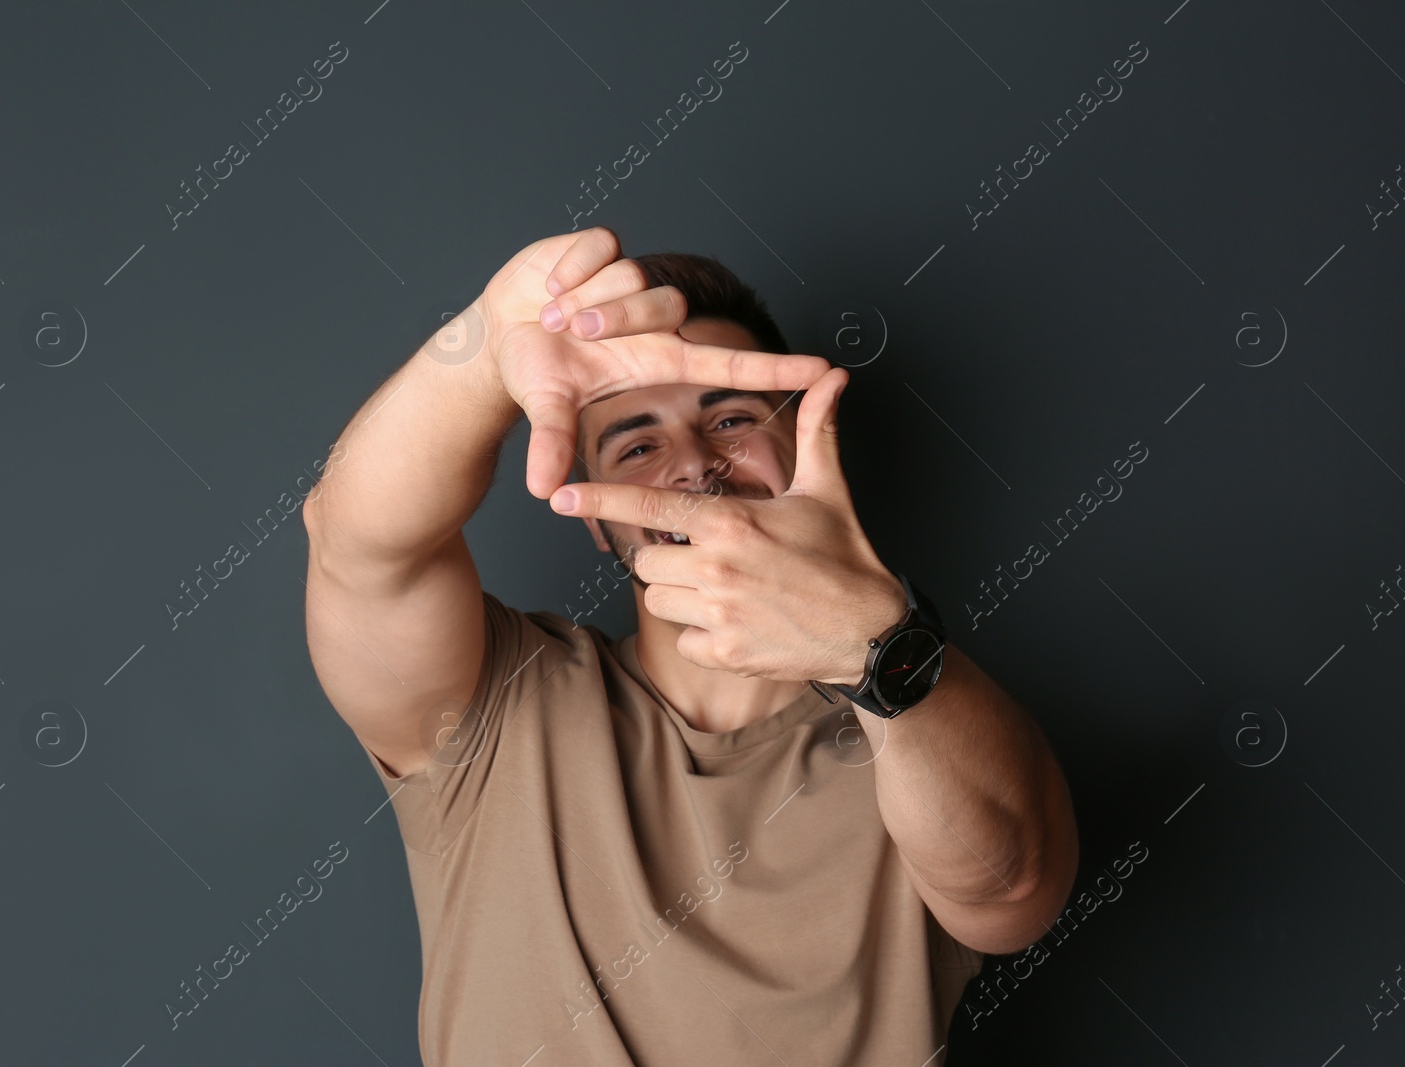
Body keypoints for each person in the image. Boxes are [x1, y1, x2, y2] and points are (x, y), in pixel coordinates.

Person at [301, 227, 1079, 1065]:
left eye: (731, 417)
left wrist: (880, 645)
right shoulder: (499, 701)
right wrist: (489, 343)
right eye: (637, 445)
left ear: (809, 452)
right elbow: (357, 544)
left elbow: (1014, 895)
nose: (693, 465)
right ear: (596, 523)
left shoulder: (926, 729)